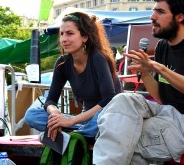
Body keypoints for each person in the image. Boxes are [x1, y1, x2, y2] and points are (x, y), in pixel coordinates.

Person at [93, 0, 184, 164]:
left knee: (126, 137)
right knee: (122, 101)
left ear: (180, 17)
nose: (152, 17)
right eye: (153, 11)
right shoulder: (163, 46)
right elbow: (162, 97)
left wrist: (158, 68)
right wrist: (145, 73)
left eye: (160, 12)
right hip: (167, 113)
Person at [24, 11, 121, 142]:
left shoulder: (98, 58)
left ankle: (69, 136)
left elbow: (108, 99)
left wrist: (71, 121)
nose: (64, 39)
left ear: (84, 37)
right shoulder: (62, 63)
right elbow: (50, 100)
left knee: (100, 122)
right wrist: (54, 113)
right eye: (62, 34)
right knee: (32, 115)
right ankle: (77, 135)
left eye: (70, 33)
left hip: (109, 117)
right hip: (84, 122)